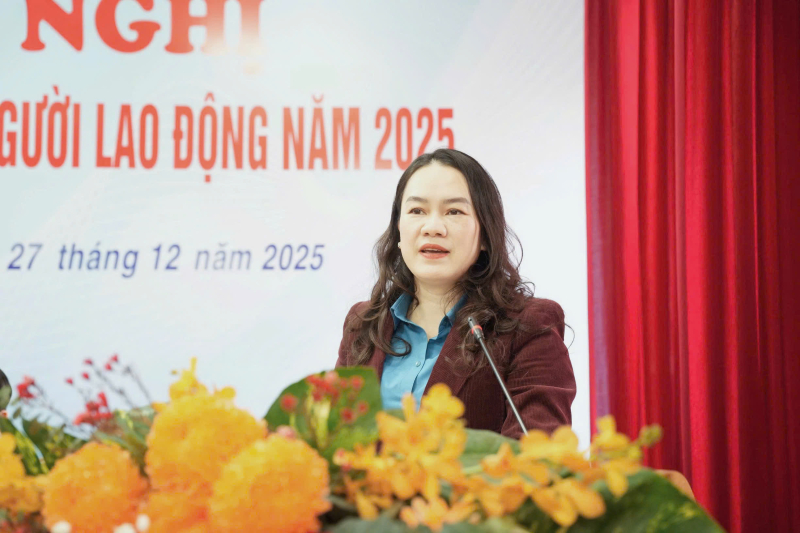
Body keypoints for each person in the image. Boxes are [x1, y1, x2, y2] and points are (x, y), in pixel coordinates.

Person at [336, 149, 576, 438]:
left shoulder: (527, 326)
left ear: (485, 234)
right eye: (417, 211)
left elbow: (536, 450)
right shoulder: (364, 324)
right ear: (398, 229)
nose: (433, 227)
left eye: (454, 212)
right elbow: (335, 440)